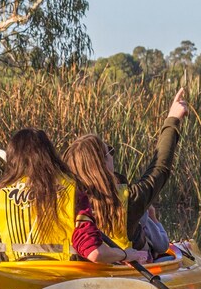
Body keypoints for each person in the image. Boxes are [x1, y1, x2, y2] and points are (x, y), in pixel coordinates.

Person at [62, 88, 189, 260]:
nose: (113, 157)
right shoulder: (130, 199)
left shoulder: (64, 202)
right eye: (110, 152)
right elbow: (160, 168)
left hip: (77, 273)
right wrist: (172, 120)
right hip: (127, 269)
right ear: (103, 165)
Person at [0, 127, 146, 263]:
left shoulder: (3, 193)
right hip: (62, 276)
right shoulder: (73, 191)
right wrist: (125, 254)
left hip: (15, 272)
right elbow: (94, 252)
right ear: (50, 155)